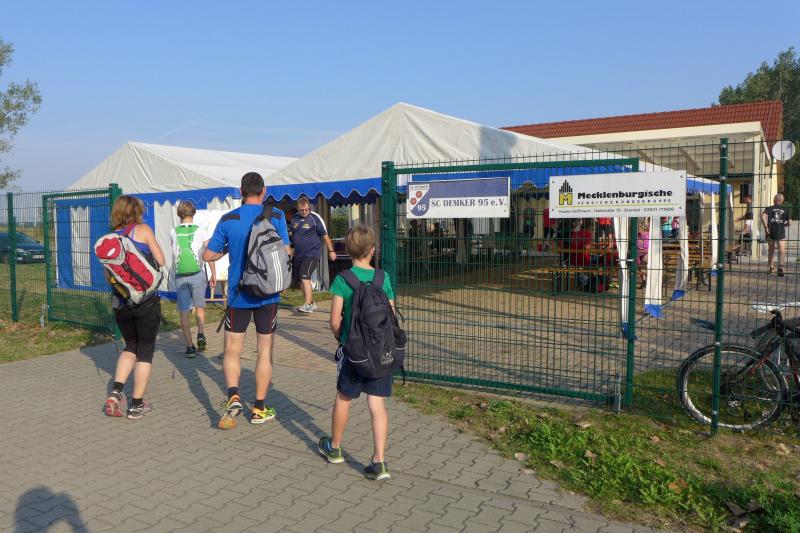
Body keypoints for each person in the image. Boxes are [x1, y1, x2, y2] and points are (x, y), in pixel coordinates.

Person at [203, 172, 291, 429]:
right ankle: (259, 408)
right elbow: (286, 252)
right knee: (264, 350)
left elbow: (208, 255)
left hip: (238, 294)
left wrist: (226, 248)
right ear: (264, 191)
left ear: (241, 192)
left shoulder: (228, 219)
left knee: (232, 349)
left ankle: (233, 396)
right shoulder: (276, 216)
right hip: (268, 294)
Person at [318, 224, 396, 480]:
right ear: (372, 250)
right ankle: (379, 461)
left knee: (344, 397)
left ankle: (335, 448)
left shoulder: (343, 280)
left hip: (354, 351)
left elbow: (334, 321)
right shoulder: (383, 278)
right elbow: (391, 315)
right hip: (380, 352)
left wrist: (341, 338)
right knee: (377, 402)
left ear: (348, 251)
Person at [103, 195, 165, 420]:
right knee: (145, 351)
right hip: (146, 301)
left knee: (130, 347)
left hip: (121, 303)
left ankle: (115, 393)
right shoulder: (143, 230)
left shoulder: (110, 239)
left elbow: (109, 274)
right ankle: (137, 405)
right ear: (136, 212)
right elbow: (161, 260)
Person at [170, 200, 216, 357]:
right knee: (199, 307)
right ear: (193, 213)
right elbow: (208, 253)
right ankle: (201, 334)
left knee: (184, 311)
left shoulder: (173, 231)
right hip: (197, 274)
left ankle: (190, 347)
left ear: (179, 214)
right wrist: (213, 273)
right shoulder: (201, 230)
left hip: (180, 276)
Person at [289, 197, 336, 314]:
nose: (305, 212)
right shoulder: (294, 219)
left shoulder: (315, 218)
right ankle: (311, 302)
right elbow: (293, 236)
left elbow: (325, 236)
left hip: (312, 254)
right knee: (300, 282)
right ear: (298, 209)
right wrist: (291, 249)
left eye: (307, 209)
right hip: (298, 255)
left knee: (305, 276)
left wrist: (331, 251)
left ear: (309, 207)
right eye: (302, 210)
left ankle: (308, 304)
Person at [761, 193, 790, 276]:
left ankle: (771, 268)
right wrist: (783, 225)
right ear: (782, 201)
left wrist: (766, 227)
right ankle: (780, 268)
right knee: (782, 251)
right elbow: (790, 222)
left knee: (771, 250)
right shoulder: (786, 209)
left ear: (774, 200)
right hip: (781, 232)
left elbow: (763, 216)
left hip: (770, 231)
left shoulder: (769, 208)